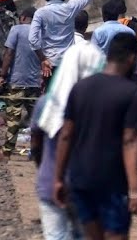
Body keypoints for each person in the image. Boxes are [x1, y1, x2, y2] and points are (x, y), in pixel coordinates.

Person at [54, 33, 137, 240]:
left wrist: (59, 178)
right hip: (113, 182)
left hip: (81, 179)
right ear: (132, 59)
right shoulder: (131, 93)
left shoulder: (80, 88)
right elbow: (130, 140)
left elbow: (66, 135)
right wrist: (135, 190)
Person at [32, 43, 104, 240]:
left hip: (50, 183)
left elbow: (36, 144)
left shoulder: (46, 103)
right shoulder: (101, 107)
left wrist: (46, 171)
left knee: (56, 236)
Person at [0, 6, 43, 160]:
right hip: (35, 82)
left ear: (22, 17)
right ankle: (37, 151)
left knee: (13, 119)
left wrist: (2, 74)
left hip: (17, 81)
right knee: (36, 118)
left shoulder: (16, 30)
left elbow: (9, 53)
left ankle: (7, 152)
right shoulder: (40, 32)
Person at [30, 0, 95, 79]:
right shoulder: (70, 7)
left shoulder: (40, 13)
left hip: (49, 65)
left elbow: (33, 40)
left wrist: (43, 59)